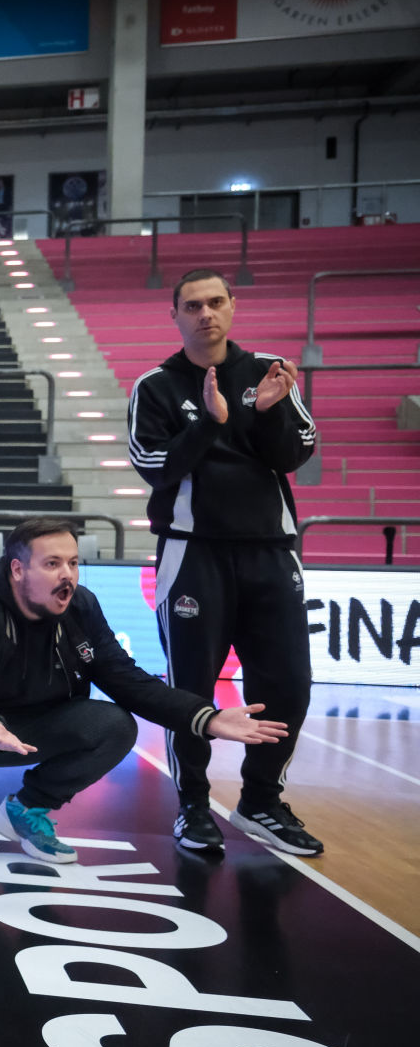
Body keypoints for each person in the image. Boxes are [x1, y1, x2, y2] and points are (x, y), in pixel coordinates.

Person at [0, 518, 289, 864]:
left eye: (73, 563)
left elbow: (124, 677)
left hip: (23, 721)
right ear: (18, 569)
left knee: (114, 727)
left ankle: (27, 808)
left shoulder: (81, 607)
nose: (68, 575)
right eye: (53, 563)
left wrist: (206, 717)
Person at [127, 268, 322, 855]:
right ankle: (192, 804)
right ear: (175, 316)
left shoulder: (269, 371)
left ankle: (261, 800)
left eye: (215, 302)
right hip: (194, 553)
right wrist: (210, 423)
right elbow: (155, 466)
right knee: (189, 687)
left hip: (270, 552)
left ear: (232, 306)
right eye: (193, 305)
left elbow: (296, 453)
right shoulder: (156, 386)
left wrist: (269, 411)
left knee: (288, 683)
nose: (205, 313)